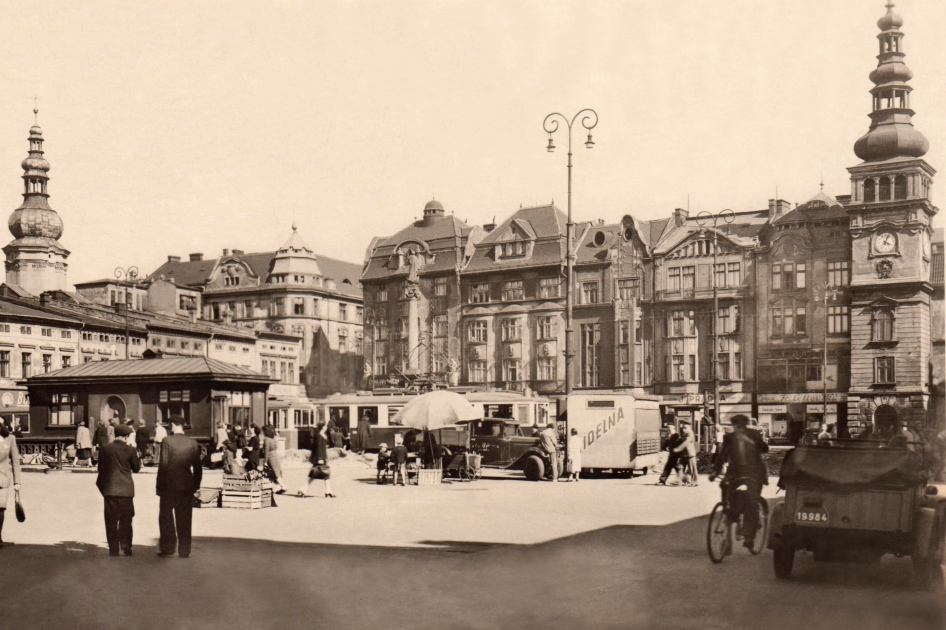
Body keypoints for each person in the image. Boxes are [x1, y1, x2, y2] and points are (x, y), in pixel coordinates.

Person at [710, 414, 769, 549]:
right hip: (736, 473)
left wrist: (750, 441)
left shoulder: (754, 434)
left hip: (754, 472)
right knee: (724, 485)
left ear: (746, 425)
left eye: (742, 426)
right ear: (733, 427)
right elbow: (722, 456)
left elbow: (765, 449)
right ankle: (729, 511)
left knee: (751, 503)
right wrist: (715, 471)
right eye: (736, 426)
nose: (739, 428)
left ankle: (749, 537)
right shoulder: (729, 438)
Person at [156, 415, 202, 558]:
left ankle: (168, 548)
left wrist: (159, 486)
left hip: (169, 486)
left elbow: (163, 465)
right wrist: (195, 485)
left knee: (166, 517)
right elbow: (198, 468)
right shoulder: (193, 443)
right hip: (186, 485)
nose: (169, 427)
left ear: (174, 425)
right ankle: (184, 550)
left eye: (170, 424)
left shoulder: (167, 441)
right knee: (185, 517)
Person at [96, 423, 141, 556]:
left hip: (110, 490)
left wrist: (104, 488)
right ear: (127, 436)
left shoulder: (105, 449)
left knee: (110, 520)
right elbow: (136, 468)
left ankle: (113, 549)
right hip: (126, 491)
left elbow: (101, 470)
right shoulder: (131, 450)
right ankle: (126, 546)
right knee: (126, 519)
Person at [297, 422, 335, 498]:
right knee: (318, 475)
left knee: (324, 474)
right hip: (319, 458)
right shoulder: (319, 436)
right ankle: (303, 489)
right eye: (325, 426)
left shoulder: (322, 435)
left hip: (322, 458)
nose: (326, 427)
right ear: (323, 427)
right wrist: (320, 458)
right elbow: (318, 448)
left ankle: (328, 491)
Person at [0, 422, 22, 548]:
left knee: (0, 508)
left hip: (2, 478)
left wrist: (17, 481)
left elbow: (15, 461)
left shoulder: (10, 439)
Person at [262, 425, 286, 493]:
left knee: (275, 472)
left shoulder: (266, 439)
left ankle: (283, 486)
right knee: (277, 471)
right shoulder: (273, 438)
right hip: (276, 455)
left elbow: (266, 451)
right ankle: (278, 487)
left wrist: (265, 461)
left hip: (271, 457)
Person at [673, 420, 698, 486]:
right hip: (683, 453)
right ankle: (681, 481)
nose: (683, 426)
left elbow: (686, 442)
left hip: (690, 453)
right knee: (680, 467)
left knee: (692, 469)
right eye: (683, 424)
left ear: (689, 425)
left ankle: (694, 482)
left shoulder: (690, 433)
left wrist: (678, 449)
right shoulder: (684, 432)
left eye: (685, 424)